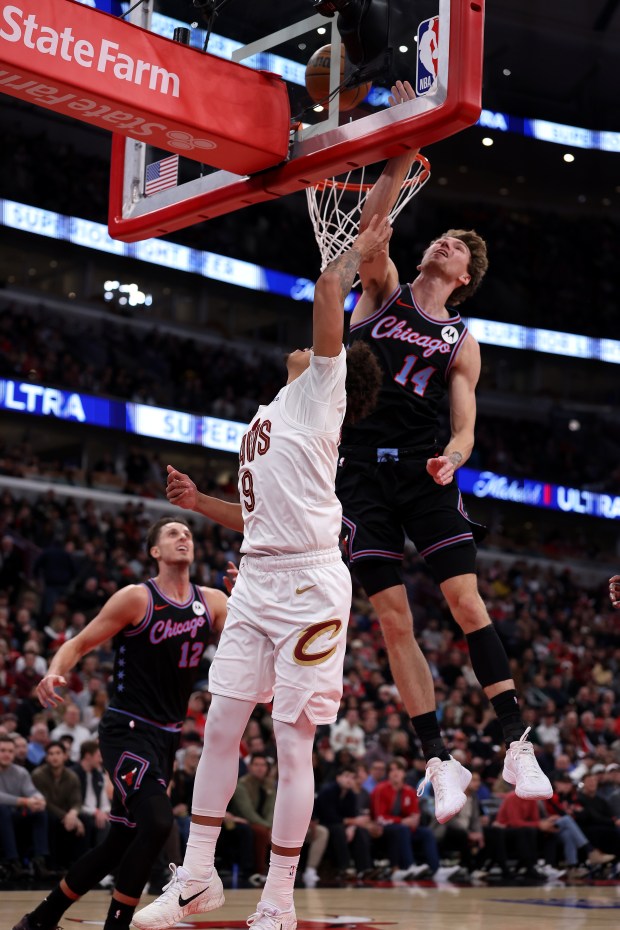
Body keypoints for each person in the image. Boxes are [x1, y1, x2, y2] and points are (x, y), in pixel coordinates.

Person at [132, 216, 389, 930]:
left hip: (309, 586)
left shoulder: (324, 389)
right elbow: (258, 519)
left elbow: (328, 293)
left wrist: (362, 223)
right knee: (218, 726)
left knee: (291, 740)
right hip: (260, 573)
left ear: (335, 365)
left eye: (320, 345)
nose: (305, 346)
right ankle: (195, 881)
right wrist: (199, 502)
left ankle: (276, 898)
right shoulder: (279, 410)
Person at [334, 80, 552, 823]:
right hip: (362, 472)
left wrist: (455, 458)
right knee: (394, 621)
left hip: (425, 471)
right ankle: (439, 758)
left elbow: (465, 421)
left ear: (464, 278)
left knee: (464, 601)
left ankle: (515, 739)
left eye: (456, 247)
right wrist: (402, 149)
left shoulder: (463, 337)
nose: (444, 244)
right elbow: (370, 230)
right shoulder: (383, 293)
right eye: (443, 237)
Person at [13, 517, 227, 930]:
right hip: (126, 730)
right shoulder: (136, 598)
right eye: (172, 533)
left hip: (166, 738)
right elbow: (78, 643)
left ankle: (40, 920)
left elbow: (252, 630)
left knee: (120, 841)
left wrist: (247, 594)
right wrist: (55, 671)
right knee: (159, 822)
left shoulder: (214, 601)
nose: (184, 536)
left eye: (188, 533)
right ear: (154, 552)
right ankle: (118, 924)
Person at [0, 733, 52, 880]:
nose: (7, 754)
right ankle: (13, 862)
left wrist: (39, 800)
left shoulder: (21, 772)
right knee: (2, 810)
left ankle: (39, 861)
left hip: (12, 817)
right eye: (2, 750)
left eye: (10, 751)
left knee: (40, 813)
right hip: (2, 814)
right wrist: (25, 801)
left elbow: (32, 791)